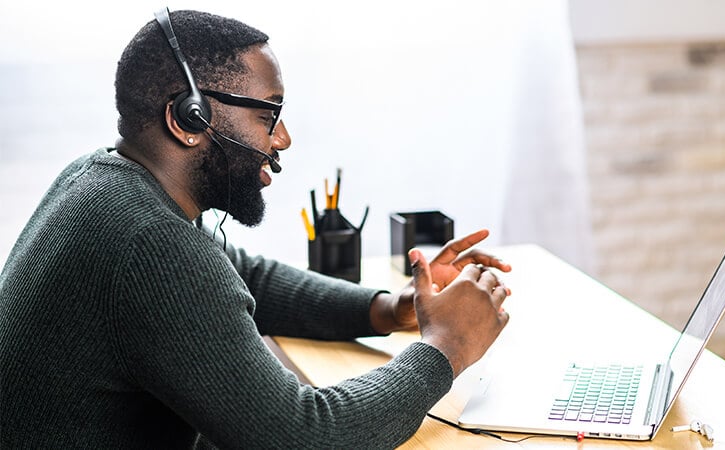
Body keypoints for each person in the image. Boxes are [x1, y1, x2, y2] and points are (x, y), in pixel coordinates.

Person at [0, 9, 511, 449]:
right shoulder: (151, 244)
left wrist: (389, 308)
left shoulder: (99, 179)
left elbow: (242, 274)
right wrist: (446, 346)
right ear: (189, 119)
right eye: (269, 114)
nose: (283, 138)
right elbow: (303, 436)